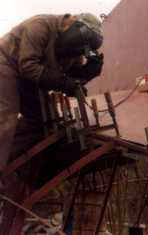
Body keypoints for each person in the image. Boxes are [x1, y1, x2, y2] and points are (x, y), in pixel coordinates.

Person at [0, 13, 104, 171]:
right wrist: (65, 83)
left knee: (46, 119)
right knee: (7, 113)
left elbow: (69, 79)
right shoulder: (40, 26)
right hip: (6, 63)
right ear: (72, 23)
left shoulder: (74, 50)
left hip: (27, 77)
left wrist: (86, 73)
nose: (78, 52)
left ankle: (15, 165)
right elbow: (28, 66)